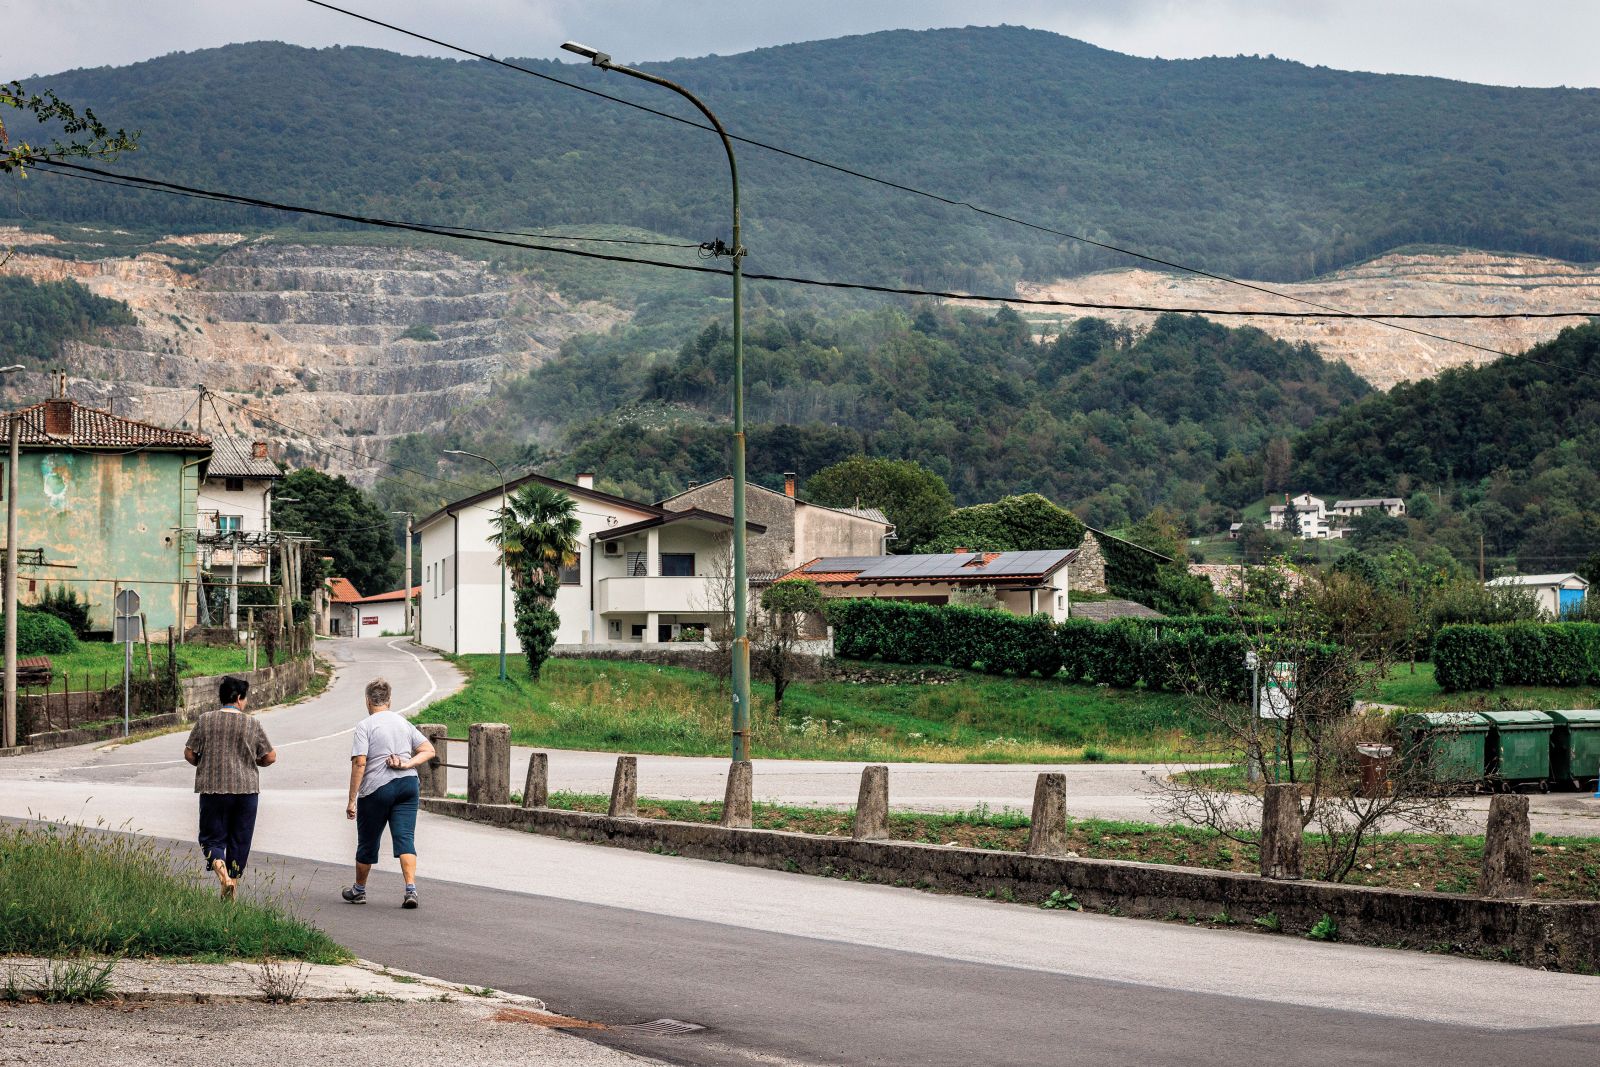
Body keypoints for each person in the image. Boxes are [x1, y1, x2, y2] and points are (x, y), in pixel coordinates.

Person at [344, 677, 434, 908]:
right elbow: (428, 750)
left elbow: (360, 763)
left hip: (377, 789)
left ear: (367, 700)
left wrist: (352, 799)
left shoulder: (366, 725)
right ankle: (410, 889)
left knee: (368, 841)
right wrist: (407, 764)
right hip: (407, 786)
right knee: (406, 838)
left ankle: (359, 890)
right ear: (389, 700)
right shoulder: (403, 723)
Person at [184, 675, 276, 900]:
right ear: (238, 698)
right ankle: (231, 885)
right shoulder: (252, 723)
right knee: (239, 840)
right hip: (246, 791)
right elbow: (270, 757)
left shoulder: (205, 720)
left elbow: (189, 752)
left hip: (213, 789)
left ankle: (224, 879)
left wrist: (204, 763)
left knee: (211, 840)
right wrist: (254, 761)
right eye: (245, 698)